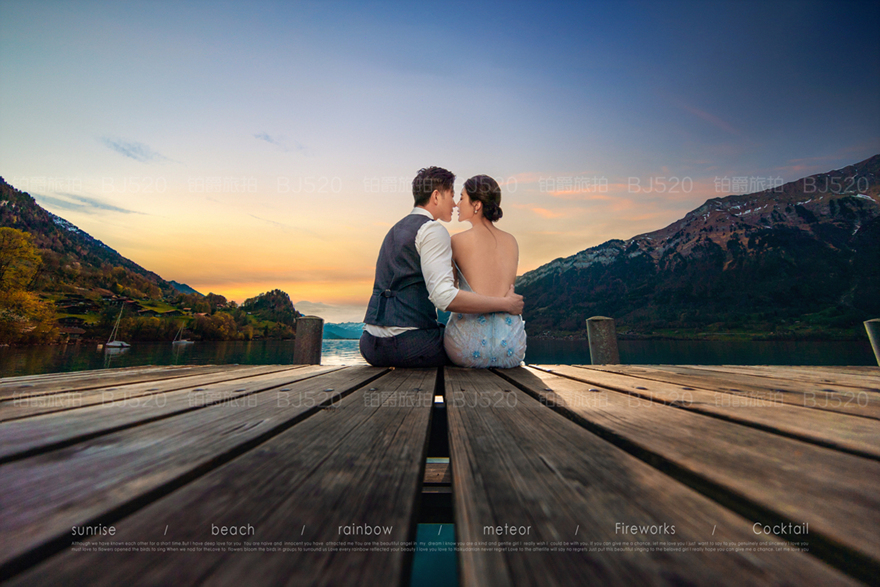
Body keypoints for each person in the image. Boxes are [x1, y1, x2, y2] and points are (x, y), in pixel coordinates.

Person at [360, 167, 524, 368]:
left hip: (370, 344)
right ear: (436, 196)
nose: (455, 203)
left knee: (458, 341)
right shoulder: (433, 230)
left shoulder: (395, 230)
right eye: (453, 195)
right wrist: (505, 304)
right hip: (411, 344)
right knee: (458, 346)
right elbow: (444, 296)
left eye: (460, 197)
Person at [444, 175, 526, 368]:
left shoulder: (456, 241)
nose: (457, 204)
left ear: (477, 205)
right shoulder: (511, 241)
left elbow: (450, 293)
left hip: (466, 348)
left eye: (462, 198)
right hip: (512, 347)